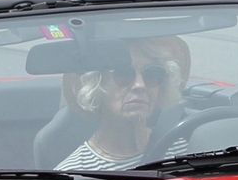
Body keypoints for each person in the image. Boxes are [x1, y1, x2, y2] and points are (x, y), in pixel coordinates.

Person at [58, 37, 193, 171]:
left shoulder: (183, 149)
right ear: (97, 84)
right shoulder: (76, 174)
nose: (140, 85)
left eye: (152, 74)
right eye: (123, 73)